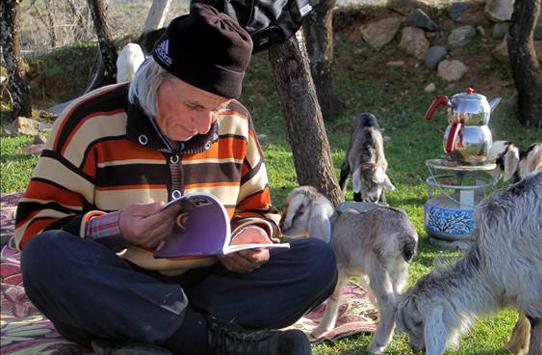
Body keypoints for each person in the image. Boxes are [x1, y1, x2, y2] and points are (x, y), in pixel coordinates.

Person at [14, 4, 337, 355]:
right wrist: (117, 228)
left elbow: (257, 210)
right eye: (195, 106)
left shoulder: (236, 124)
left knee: (317, 261)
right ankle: (214, 341)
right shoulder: (89, 121)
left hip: (209, 287)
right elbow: (34, 228)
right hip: (117, 284)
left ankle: (142, 339)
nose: (205, 124)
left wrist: (252, 235)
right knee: (46, 258)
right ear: (157, 78)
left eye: (217, 108)